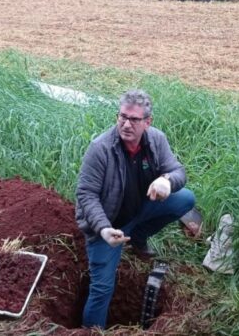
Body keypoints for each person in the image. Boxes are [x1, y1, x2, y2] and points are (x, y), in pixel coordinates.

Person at [75, 89, 195, 329]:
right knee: (101, 289)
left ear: (147, 122)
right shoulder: (101, 149)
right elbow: (85, 195)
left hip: (139, 208)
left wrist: (167, 181)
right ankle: (92, 331)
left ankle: (137, 237)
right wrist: (103, 229)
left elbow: (179, 172)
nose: (126, 124)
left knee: (185, 199)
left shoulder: (156, 140)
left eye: (134, 119)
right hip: (108, 224)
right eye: (122, 117)